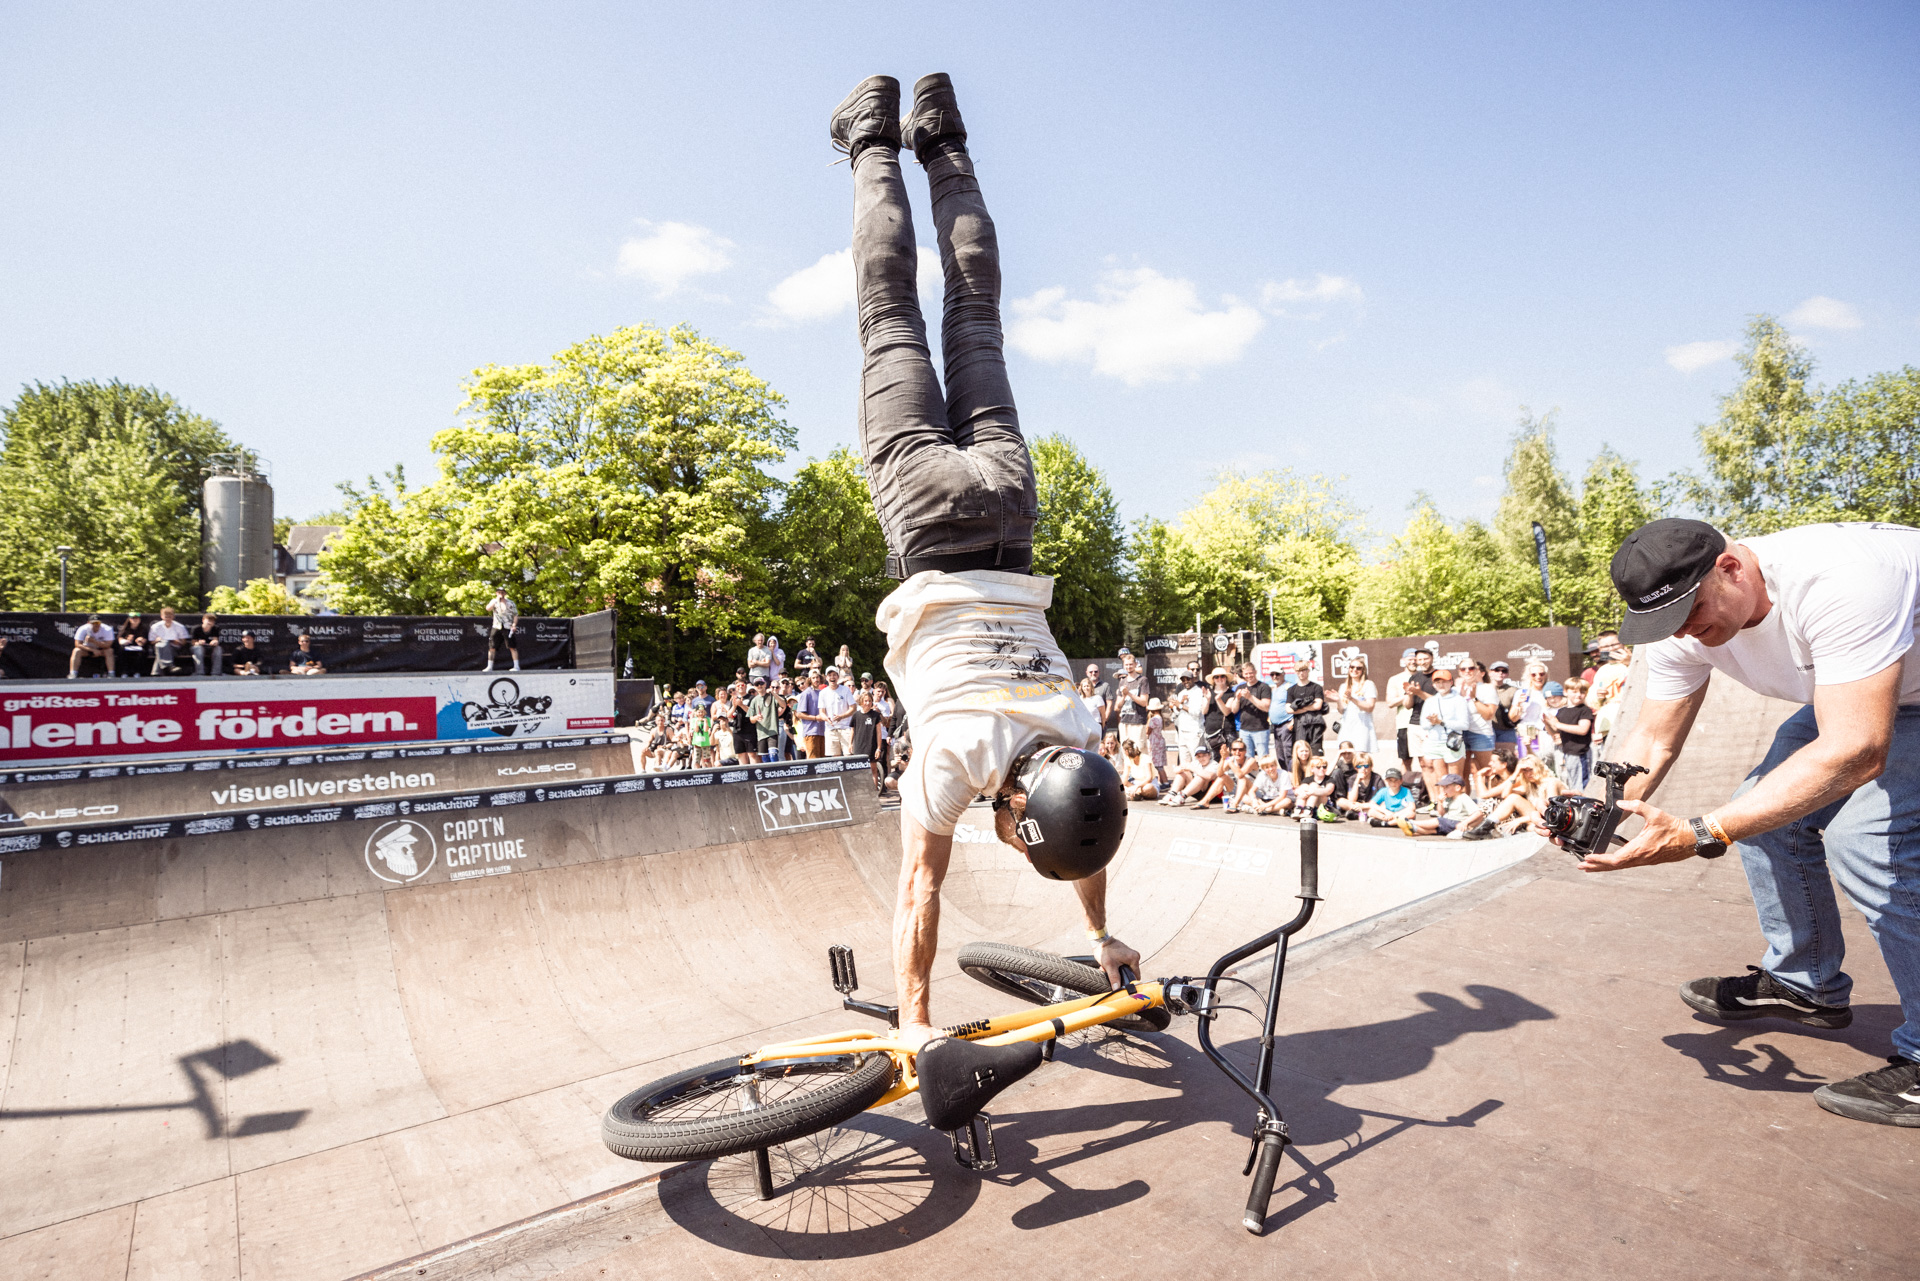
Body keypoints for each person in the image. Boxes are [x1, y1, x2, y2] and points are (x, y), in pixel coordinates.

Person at [836, 73, 1133, 1051]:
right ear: (1015, 808)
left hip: (1009, 504)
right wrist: (913, 1027)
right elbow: (920, 888)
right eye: (1015, 836)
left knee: (974, 313)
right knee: (890, 315)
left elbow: (1082, 813)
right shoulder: (959, 757)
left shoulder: (1082, 734)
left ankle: (939, 134)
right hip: (926, 519)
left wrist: (1099, 933)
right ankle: (869, 142)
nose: (1006, 841)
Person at [1550, 518, 1920, 1125]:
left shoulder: (1842, 579)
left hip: (1890, 699)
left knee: (1870, 842)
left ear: (1730, 568)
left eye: (1691, 614)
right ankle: (1806, 981)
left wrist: (1703, 832)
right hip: (1863, 689)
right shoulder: (1680, 623)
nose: (1686, 634)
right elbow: (1652, 735)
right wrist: (1596, 813)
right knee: (1765, 810)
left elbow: (1857, 747)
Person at [1420, 664, 1472, 798]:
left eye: (1444, 681)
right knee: (1442, 779)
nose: (1441, 684)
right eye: (1437, 682)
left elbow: (1464, 724)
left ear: (1451, 682)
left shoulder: (1459, 700)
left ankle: (1460, 808)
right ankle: (1446, 809)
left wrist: (1441, 722)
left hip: (1452, 743)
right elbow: (1423, 724)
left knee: (1456, 779)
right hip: (1436, 743)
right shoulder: (1430, 701)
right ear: (1433, 685)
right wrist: (1432, 723)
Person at [1545, 676, 1594, 790]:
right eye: (1574, 691)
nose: (1578, 695)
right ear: (1565, 692)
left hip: (1580, 753)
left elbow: (1583, 730)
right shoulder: (1562, 711)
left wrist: (1557, 724)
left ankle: (1582, 804)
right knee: (1569, 783)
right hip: (1566, 753)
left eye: (1582, 692)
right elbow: (1555, 732)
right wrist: (1548, 724)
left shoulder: (1584, 710)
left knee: (1581, 785)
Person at [1332, 655, 1377, 757]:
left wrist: (1352, 698)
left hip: (1362, 727)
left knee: (1360, 758)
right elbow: (1342, 710)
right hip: (1347, 726)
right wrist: (1338, 700)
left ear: (1363, 670)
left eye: (1358, 668)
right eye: (1352, 667)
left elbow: (1370, 707)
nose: (1354, 670)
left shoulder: (1368, 684)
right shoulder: (1343, 686)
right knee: (1346, 757)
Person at [1408, 773, 1478, 837]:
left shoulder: (1463, 798)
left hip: (1458, 823)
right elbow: (1442, 813)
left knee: (1439, 821)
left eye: (1446, 787)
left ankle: (1412, 823)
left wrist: (1465, 822)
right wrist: (1440, 802)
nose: (1444, 790)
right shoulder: (1448, 798)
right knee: (1435, 829)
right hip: (1450, 823)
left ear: (1457, 788)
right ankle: (1414, 828)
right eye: (1443, 788)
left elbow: (1478, 812)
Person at [1229, 661, 1273, 760]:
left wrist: (1250, 697)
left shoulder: (1264, 687)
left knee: (1263, 758)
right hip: (1244, 729)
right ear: (1243, 674)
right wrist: (1237, 699)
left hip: (1260, 729)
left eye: (1251, 673)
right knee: (1247, 759)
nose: (1249, 676)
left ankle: (1264, 775)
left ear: (1255, 672)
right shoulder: (1240, 687)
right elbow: (1234, 710)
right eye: (1246, 674)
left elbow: (1266, 707)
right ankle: (1250, 775)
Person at [1161, 743, 1224, 808]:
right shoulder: (1196, 763)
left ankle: (1182, 796)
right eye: (1199, 756)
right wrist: (1181, 768)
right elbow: (1176, 770)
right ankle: (1172, 794)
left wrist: (1191, 768)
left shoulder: (1214, 764)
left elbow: (1209, 776)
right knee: (1183, 773)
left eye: (1204, 755)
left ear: (1209, 755)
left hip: (1212, 795)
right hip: (1197, 791)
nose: (1202, 758)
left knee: (1201, 776)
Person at [1285, 660, 1327, 756]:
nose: (1301, 673)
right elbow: (1288, 709)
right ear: (1295, 672)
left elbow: (1318, 705)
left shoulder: (1316, 687)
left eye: (1303, 670)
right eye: (1298, 670)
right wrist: (1307, 708)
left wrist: (1300, 708)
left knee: (1316, 754)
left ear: (1308, 670)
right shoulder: (1292, 690)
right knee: (1301, 754)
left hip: (1315, 725)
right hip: (1299, 726)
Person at [849, 690, 889, 791]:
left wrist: (878, 748)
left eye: (870, 701)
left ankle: (874, 794)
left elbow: (879, 732)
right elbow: (852, 730)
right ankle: (861, 793)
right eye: (866, 701)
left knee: (873, 770)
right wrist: (850, 744)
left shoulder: (875, 715)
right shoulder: (856, 715)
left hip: (871, 746)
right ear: (861, 702)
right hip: (858, 746)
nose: (868, 703)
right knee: (859, 771)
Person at [1113, 649, 1150, 751]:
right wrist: (1124, 696)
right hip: (1124, 721)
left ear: (1135, 664)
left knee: (1139, 751)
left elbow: (1144, 702)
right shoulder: (1123, 681)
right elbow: (1117, 707)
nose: (1128, 667)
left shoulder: (1142, 680)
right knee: (1126, 753)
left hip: (1138, 721)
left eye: (1130, 664)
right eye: (1126, 665)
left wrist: (1129, 693)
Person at [1363, 767, 1419, 833]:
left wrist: (1396, 814)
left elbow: (1412, 807)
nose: (1393, 783)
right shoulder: (1384, 791)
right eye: (1390, 780)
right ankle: (1391, 822)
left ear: (1401, 781)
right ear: (1386, 781)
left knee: (1411, 814)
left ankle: (1386, 824)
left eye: (1396, 780)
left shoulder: (1406, 791)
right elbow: (1372, 803)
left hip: (1400, 814)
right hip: (1387, 815)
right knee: (1371, 811)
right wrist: (1386, 812)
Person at [820, 668, 857, 758]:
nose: (832, 677)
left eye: (834, 675)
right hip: (831, 729)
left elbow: (853, 707)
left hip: (846, 728)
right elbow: (821, 712)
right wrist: (826, 718)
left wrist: (842, 716)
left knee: (848, 755)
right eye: (830, 675)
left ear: (838, 676)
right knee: (835, 759)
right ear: (826, 677)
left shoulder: (845, 690)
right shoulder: (823, 693)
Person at [69, 613, 116, 678]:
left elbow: (108, 645)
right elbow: (77, 644)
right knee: (76, 651)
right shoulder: (82, 629)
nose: (96, 625)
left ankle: (111, 673)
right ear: (88, 623)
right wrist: (92, 650)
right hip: (87, 650)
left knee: (110, 651)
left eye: (98, 623)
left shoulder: (107, 629)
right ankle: (73, 673)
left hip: (101, 650)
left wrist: (94, 642)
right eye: (93, 623)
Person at [148, 607, 191, 676]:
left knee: (162, 649)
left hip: (174, 648)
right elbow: (151, 642)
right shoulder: (155, 627)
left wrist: (178, 642)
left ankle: (156, 672)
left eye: (170, 617)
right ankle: (169, 666)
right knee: (161, 645)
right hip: (158, 646)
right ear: (162, 616)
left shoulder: (180, 627)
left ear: (173, 617)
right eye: (166, 617)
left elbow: (184, 642)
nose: (168, 619)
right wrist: (157, 640)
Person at [485, 588, 520, 672]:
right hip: (497, 626)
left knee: (512, 646)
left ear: (505, 593)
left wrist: (514, 625)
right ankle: (489, 666)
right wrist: (496, 600)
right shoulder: (494, 601)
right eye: (499, 592)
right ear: (496, 593)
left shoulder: (510, 603)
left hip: (508, 626)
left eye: (502, 592)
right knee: (492, 647)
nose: (501, 594)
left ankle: (516, 666)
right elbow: (488, 609)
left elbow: (515, 615)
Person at [190, 613, 223, 678]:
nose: (210, 622)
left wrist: (214, 642)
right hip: (198, 647)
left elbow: (215, 639)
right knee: (198, 649)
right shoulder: (196, 628)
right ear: (203, 620)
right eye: (209, 620)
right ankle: (200, 673)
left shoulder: (215, 628)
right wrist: (199, 642)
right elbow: (193, 642)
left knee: (218, 649)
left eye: (212, 621)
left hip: (210, 647)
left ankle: (216, 673)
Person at [1145, 696, 1169, 785]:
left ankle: (1166, 782)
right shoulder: (1160, 718)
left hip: (1154, 743)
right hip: (1159, 741)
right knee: (1159, 763)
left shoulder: (1153, 719)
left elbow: (1148, 731)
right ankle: (1160, 781)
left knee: (1158, 765)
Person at [115, 613, 148, 677]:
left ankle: (137, 672)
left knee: (142, 652)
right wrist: (126, 641)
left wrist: (141, 641)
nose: (135, 620)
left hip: (138, 647)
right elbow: (120, 639)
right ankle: (124, 672)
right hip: (126, 646)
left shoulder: (143, 629)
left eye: (137, 618)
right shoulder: (124, 628)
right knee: (121, 651)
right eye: (133, 618)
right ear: (130, 619)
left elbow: (145, 640)